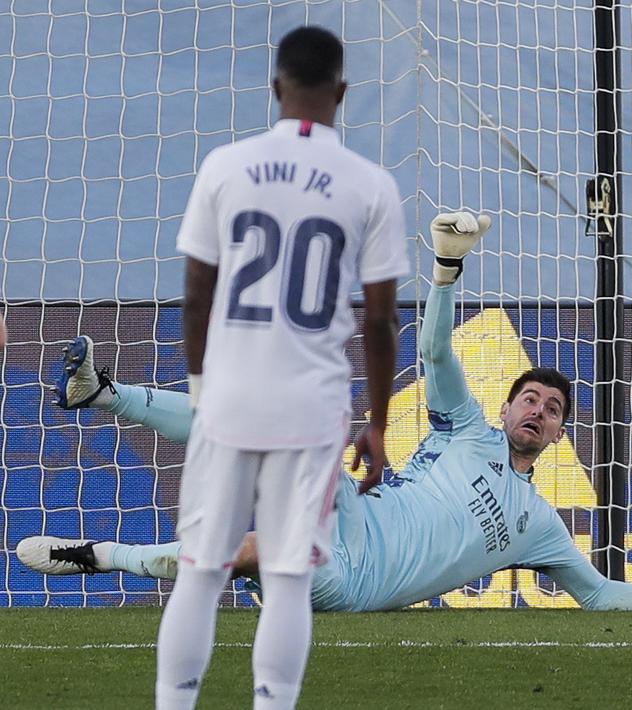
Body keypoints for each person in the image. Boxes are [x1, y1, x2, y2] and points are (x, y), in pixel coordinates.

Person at [22, 216, 632, 616]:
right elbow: (433, 349)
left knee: (251, 552)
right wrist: (445, 274)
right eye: (529, 398)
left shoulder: (538, 522)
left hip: (361, 580)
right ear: (509, 406)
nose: (538, 411)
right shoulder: (464, 429)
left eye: (551, 410)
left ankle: (98, 557)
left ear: (556, 436)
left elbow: (598, 592)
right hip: (355, 512)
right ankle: (104, 395)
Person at [156, 25, 407, 709]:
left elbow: (196, 297)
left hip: (230, 399)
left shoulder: (224, 166)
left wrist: (205, 390)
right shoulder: (371, 184)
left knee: (201, 573)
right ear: (342, 93)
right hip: (311, 407)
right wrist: (379, 424)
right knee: (290, 577)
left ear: (275, 89)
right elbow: (380, 320)